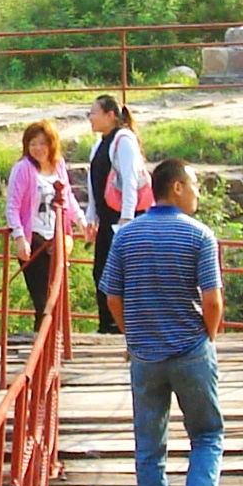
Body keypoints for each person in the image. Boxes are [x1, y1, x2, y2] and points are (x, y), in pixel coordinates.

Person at [98, 158, 225, 486]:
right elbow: (212, 299)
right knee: (207, 433)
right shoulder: (200, 236)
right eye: (195, 184)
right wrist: (209, 335)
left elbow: (112, 295)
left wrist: (131, 333)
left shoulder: (127, 236)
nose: (198, 192)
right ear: (177, 188)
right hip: (190, 350)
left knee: (149, 448)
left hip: (145, 355)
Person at [6, 119, 85, 318]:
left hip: (57, 237)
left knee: (57, 296)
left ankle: (53, 344)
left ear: (51, 143)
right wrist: (19, 237)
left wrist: (81, 222)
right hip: (34, 238)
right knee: (42, 300)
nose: (38, 148)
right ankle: (42, 346)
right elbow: (13, 206)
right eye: (32, 144)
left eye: (42, 143)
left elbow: (68, 198)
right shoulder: (23, 168)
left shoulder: (58, 165)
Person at [86, 96, 149, 334]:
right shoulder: (99, 144)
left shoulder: (124, 140)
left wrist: (127, 219)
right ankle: (108, 325)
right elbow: (95, 183)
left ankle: (125, 326)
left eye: (94, 113)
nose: (90, 118)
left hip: (123, 219)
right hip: (107, 219)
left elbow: (129, 181)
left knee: (124, 272)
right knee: (102, 271)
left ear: (110, 115)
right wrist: (91, 215)